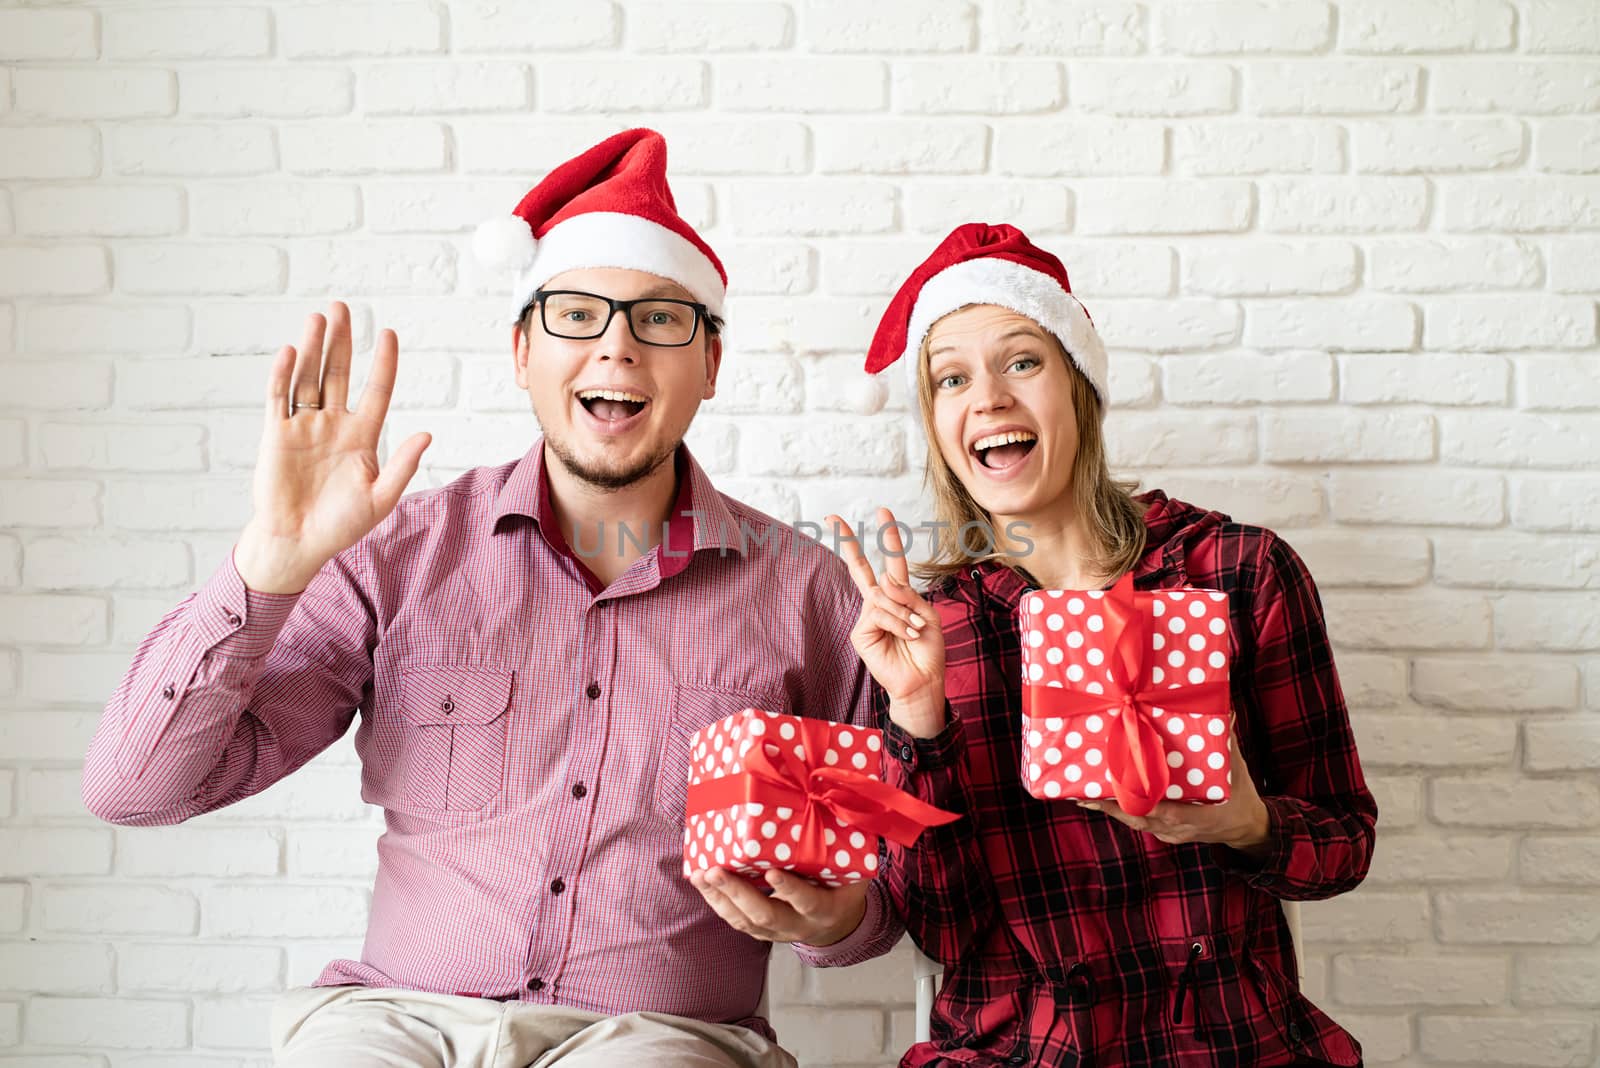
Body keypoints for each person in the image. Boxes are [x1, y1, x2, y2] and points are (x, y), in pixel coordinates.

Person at [81, 128, 898, 1068]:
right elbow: (133, 792)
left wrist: (836, 914)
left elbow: (871, 915)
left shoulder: (807, 593)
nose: (618, 347)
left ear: (711, 364)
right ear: (520, 351)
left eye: (662, 319)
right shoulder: (397, 556)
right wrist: (268, 565)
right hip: (395, 1022)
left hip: (661, 1039)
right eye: (577, 315)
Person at [818, 223, 1378, 1066]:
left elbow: (1341, 847)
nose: (990, 399)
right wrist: (917, 712)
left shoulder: (1237, 573)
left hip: (1227, 1045)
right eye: (952, 378)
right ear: (936, 425)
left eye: (1022, 361)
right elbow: (938, 924)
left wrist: (1249, 822)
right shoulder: (929, 629)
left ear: (1079, 387)